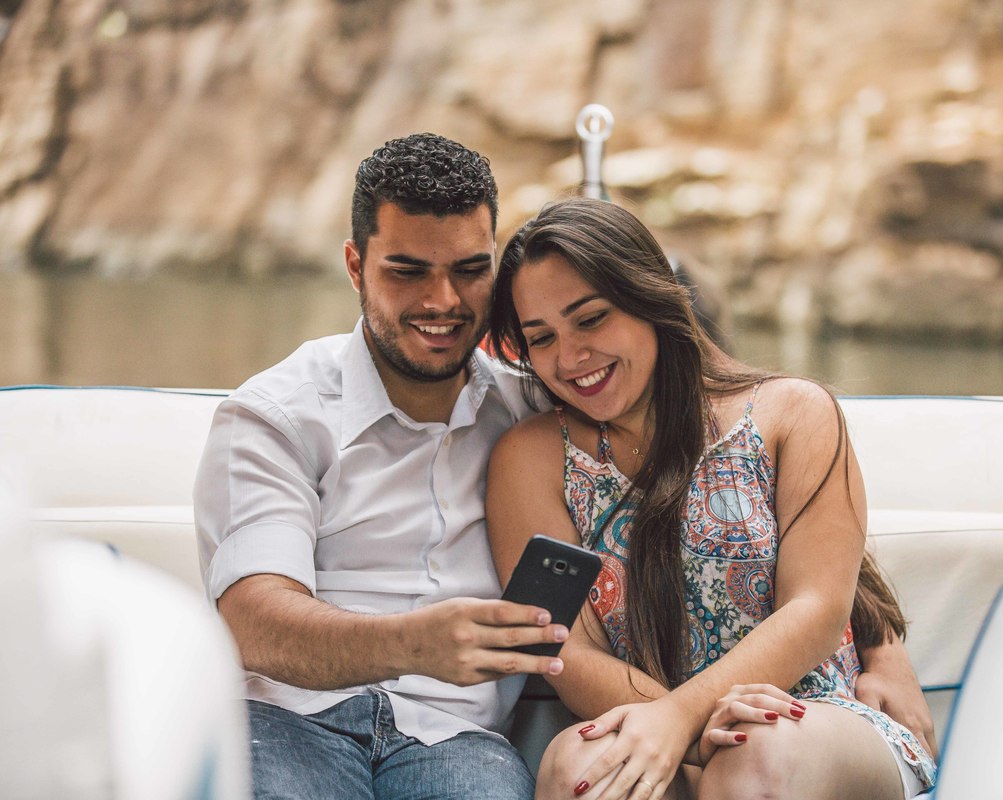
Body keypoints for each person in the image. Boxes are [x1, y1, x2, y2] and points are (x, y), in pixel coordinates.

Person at [194, 133, 930, 800]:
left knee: (749, 759)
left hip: (463, 738)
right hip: (298, 717)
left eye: (469, 271)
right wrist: (412, 643)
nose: (442, 300)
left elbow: (816, 568)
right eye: (407, 271)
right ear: (355, 266)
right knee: (581, 771)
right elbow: (254, 622)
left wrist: (883, 644)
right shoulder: (288, 415)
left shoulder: (534, 404)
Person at [485, 198, 938, 799]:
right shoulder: (529, 458)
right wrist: (684, 732)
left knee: (755, 754)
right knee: (579, 767)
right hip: (644, 720)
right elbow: (570, 647)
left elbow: (817, 610)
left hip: (815, 720)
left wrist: (681, 718)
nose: (570, 358)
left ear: (649, 298)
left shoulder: (793, 412)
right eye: (541, 339)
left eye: (591, 319)